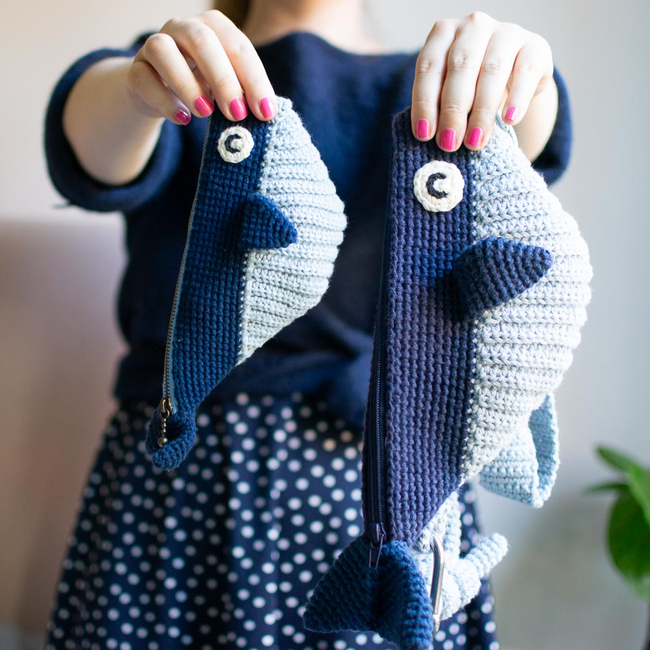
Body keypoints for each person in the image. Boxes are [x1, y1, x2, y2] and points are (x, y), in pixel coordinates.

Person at [42, 1, 572, 648]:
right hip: (185, 484)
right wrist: (134, 89)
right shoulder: (176, 76)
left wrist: (525, 78)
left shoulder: (440, 90)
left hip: (389, 485)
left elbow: (526, 141)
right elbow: (92, 146)